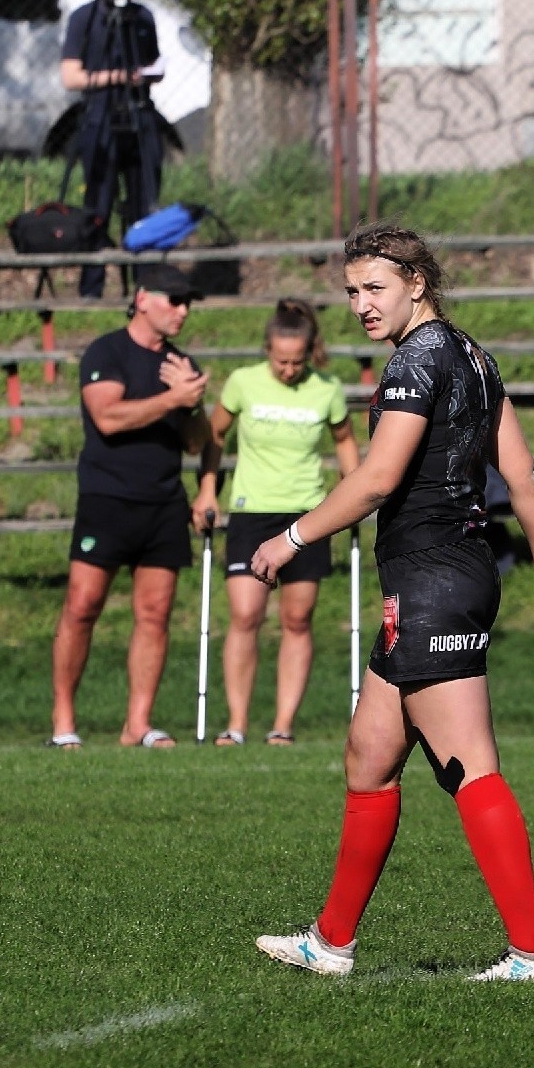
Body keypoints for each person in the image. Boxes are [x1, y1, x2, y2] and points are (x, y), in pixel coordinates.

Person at [249, 223, 534, 981]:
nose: (361, 304)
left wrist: (291, 538)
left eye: (374, 288)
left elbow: (375, 480)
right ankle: (331, 943)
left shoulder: (417, 361)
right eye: (351, 292)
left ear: (416, 284)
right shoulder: (473, 355)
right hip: (441, 578)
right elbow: (524, 480)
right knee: (369, 756)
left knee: (471, 767)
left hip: (433, 579)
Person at [50, 263, 210, 750]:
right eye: (174, 300)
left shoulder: (180, 365)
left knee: (155, 612)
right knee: (82, 606)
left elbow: (196, 443)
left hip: (163, 502)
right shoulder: (108, 351)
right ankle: (63, 723)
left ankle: (137, 724)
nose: (183, 311)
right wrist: (173, 397)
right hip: (107, 497)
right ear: (142, 298)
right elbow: (108, 417)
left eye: (188, 303)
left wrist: (192, 403)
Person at [197, 299, 360, 747]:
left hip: (307, 513)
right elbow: (215, 435)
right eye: (279, 361)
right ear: (267, 350)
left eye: (296, 362)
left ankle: (283, 724)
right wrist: (207, 488)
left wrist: (354, 490)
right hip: (252, 510)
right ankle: (235, 722)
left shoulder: (326, 388)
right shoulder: (243, 383)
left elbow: (344, 440)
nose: (288, 370)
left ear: (309, 354)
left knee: (297, 618)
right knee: (246, 614)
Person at [61, 0, 165, 298]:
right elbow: (72, 76)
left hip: (139, 116)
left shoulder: (143, 18)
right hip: (100, 119)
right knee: (98, 205)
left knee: (143, 203)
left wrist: (142, 77)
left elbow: (154, 66)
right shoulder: (86, 18)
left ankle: (145, 284)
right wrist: (119, 76)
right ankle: (92, 286)